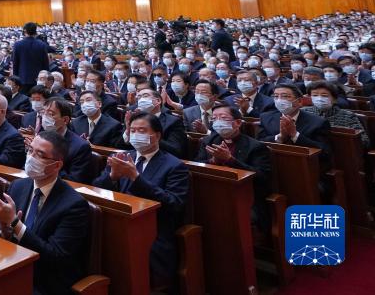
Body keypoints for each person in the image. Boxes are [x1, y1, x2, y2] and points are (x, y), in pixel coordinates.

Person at [93, 113, 189, 290]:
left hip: (154, 230)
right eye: (133, 130)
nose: (136, 134)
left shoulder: (175, 166)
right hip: (119, 222)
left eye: (142, 131)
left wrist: (136, 178)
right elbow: (96, 188)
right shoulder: (121, 156)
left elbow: (174, 204)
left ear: (157, 135)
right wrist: (112, 176)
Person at [0, 131, 89, 295]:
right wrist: (5, 232)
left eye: (40, 154)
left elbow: (56, 257)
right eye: (30, 150)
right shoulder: (18, 186)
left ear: (57, 165)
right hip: (13, 266)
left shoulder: (74, 205)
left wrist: (15, 223)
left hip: (45, 281)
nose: (31, 157)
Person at [194, 103, 271, 228]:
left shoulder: (255, 147)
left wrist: (230, 160)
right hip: (213, 192)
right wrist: (213, 161)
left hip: (245, 196)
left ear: (238, 123)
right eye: (214, 118)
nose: (218, 122)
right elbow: (197, 165)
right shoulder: (208, 141)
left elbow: (262, 178)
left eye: (223, 118)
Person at [259, 84, 331, 159]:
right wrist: (279, 137)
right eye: (276, 96)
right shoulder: (265, 117)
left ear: (299, 101)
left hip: (304, 163)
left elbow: (324, 152)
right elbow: (259, 142)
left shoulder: (318, 122)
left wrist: (295, 135)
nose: (279, 100)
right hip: (273, 161)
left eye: (285, 96)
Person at [38, 97, 94, 183]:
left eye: (50, 114)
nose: (44, 117)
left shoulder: (81, 147)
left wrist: (48, 161)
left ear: (65, 120)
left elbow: (75, 181)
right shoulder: (39, 137)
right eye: (43, 112)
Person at [303, 81, 369, 149]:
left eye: (324, 96)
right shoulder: (304, 112)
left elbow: (364, 141)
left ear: (334, 99)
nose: (319, 99)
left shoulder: (348, 116)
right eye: (315, 95)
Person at [13, 22, 50, 92]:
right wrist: (45, 78)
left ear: (25, 31)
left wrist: (15, 79)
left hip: (23, 78)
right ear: (35, 31)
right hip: (38, 79)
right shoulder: (42, 44)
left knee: (23, 98)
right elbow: (45, 63)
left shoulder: (18, 44)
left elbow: (15, 63)